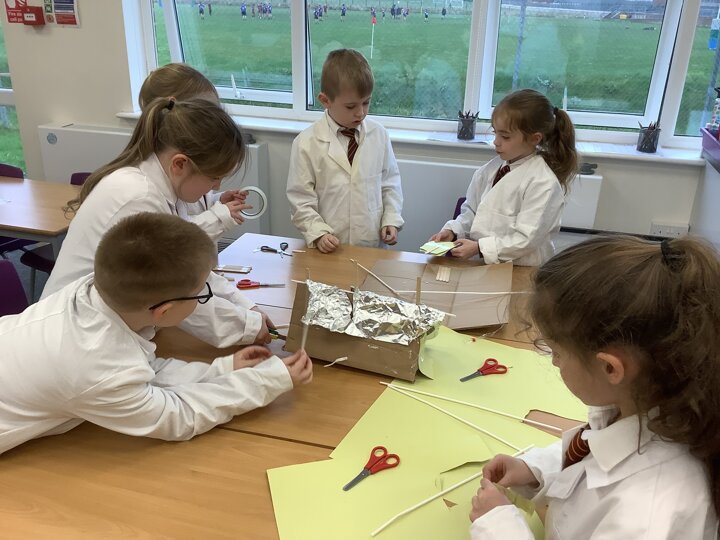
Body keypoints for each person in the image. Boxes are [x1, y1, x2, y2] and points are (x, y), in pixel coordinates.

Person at [0, 213, 313, 457]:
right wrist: (267, 381)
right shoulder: (93, 364)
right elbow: (177, 417)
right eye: (202, 293)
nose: (205, 297)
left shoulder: (94, 293)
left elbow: (141, 370)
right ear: (164, 312)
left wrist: (223, 369)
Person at [469, 235, 720, 539]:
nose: (554, 363)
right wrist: (535, 471)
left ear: (610, 368)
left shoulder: (646, 516)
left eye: (557, 352)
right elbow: (595, 454)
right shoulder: (644, 406)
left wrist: (498, 526)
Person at [44, 98, 274, 348]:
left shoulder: (163, 189)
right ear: (180, 164)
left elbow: (190, 273)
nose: (217, 186)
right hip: (74, 333)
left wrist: (245, 306)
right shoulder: (138, 198)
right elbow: (176, 293)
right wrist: (247, 326)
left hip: (103, 325)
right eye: (214, 177)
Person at [430, 89, 577, 266]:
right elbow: (472, 211)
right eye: (495, 133)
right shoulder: (490, 170)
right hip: (489, 265)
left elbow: (526, 239)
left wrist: (479, 248)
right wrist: (454, 230)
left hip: (523, 267)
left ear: (534, 139)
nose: (496, 142)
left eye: (505, 137)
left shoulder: (543, 183)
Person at [286, 49, 403, 253]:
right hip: (329, 247)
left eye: (366, 102)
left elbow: (390, 184)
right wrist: (319, 233)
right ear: (325, 100)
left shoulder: (379, 135)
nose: (361, 112)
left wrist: (390, 219)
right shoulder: (306, 143)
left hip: (371, 245)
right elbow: (300, 199)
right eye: (351, 106)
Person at [136, 63, 248, 244]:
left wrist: (216, 201)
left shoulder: (175, 170)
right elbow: (173, 242)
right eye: (206, 113)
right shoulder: (143, 194)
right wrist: (219, 217)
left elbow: (189, 211)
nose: (213, 121)